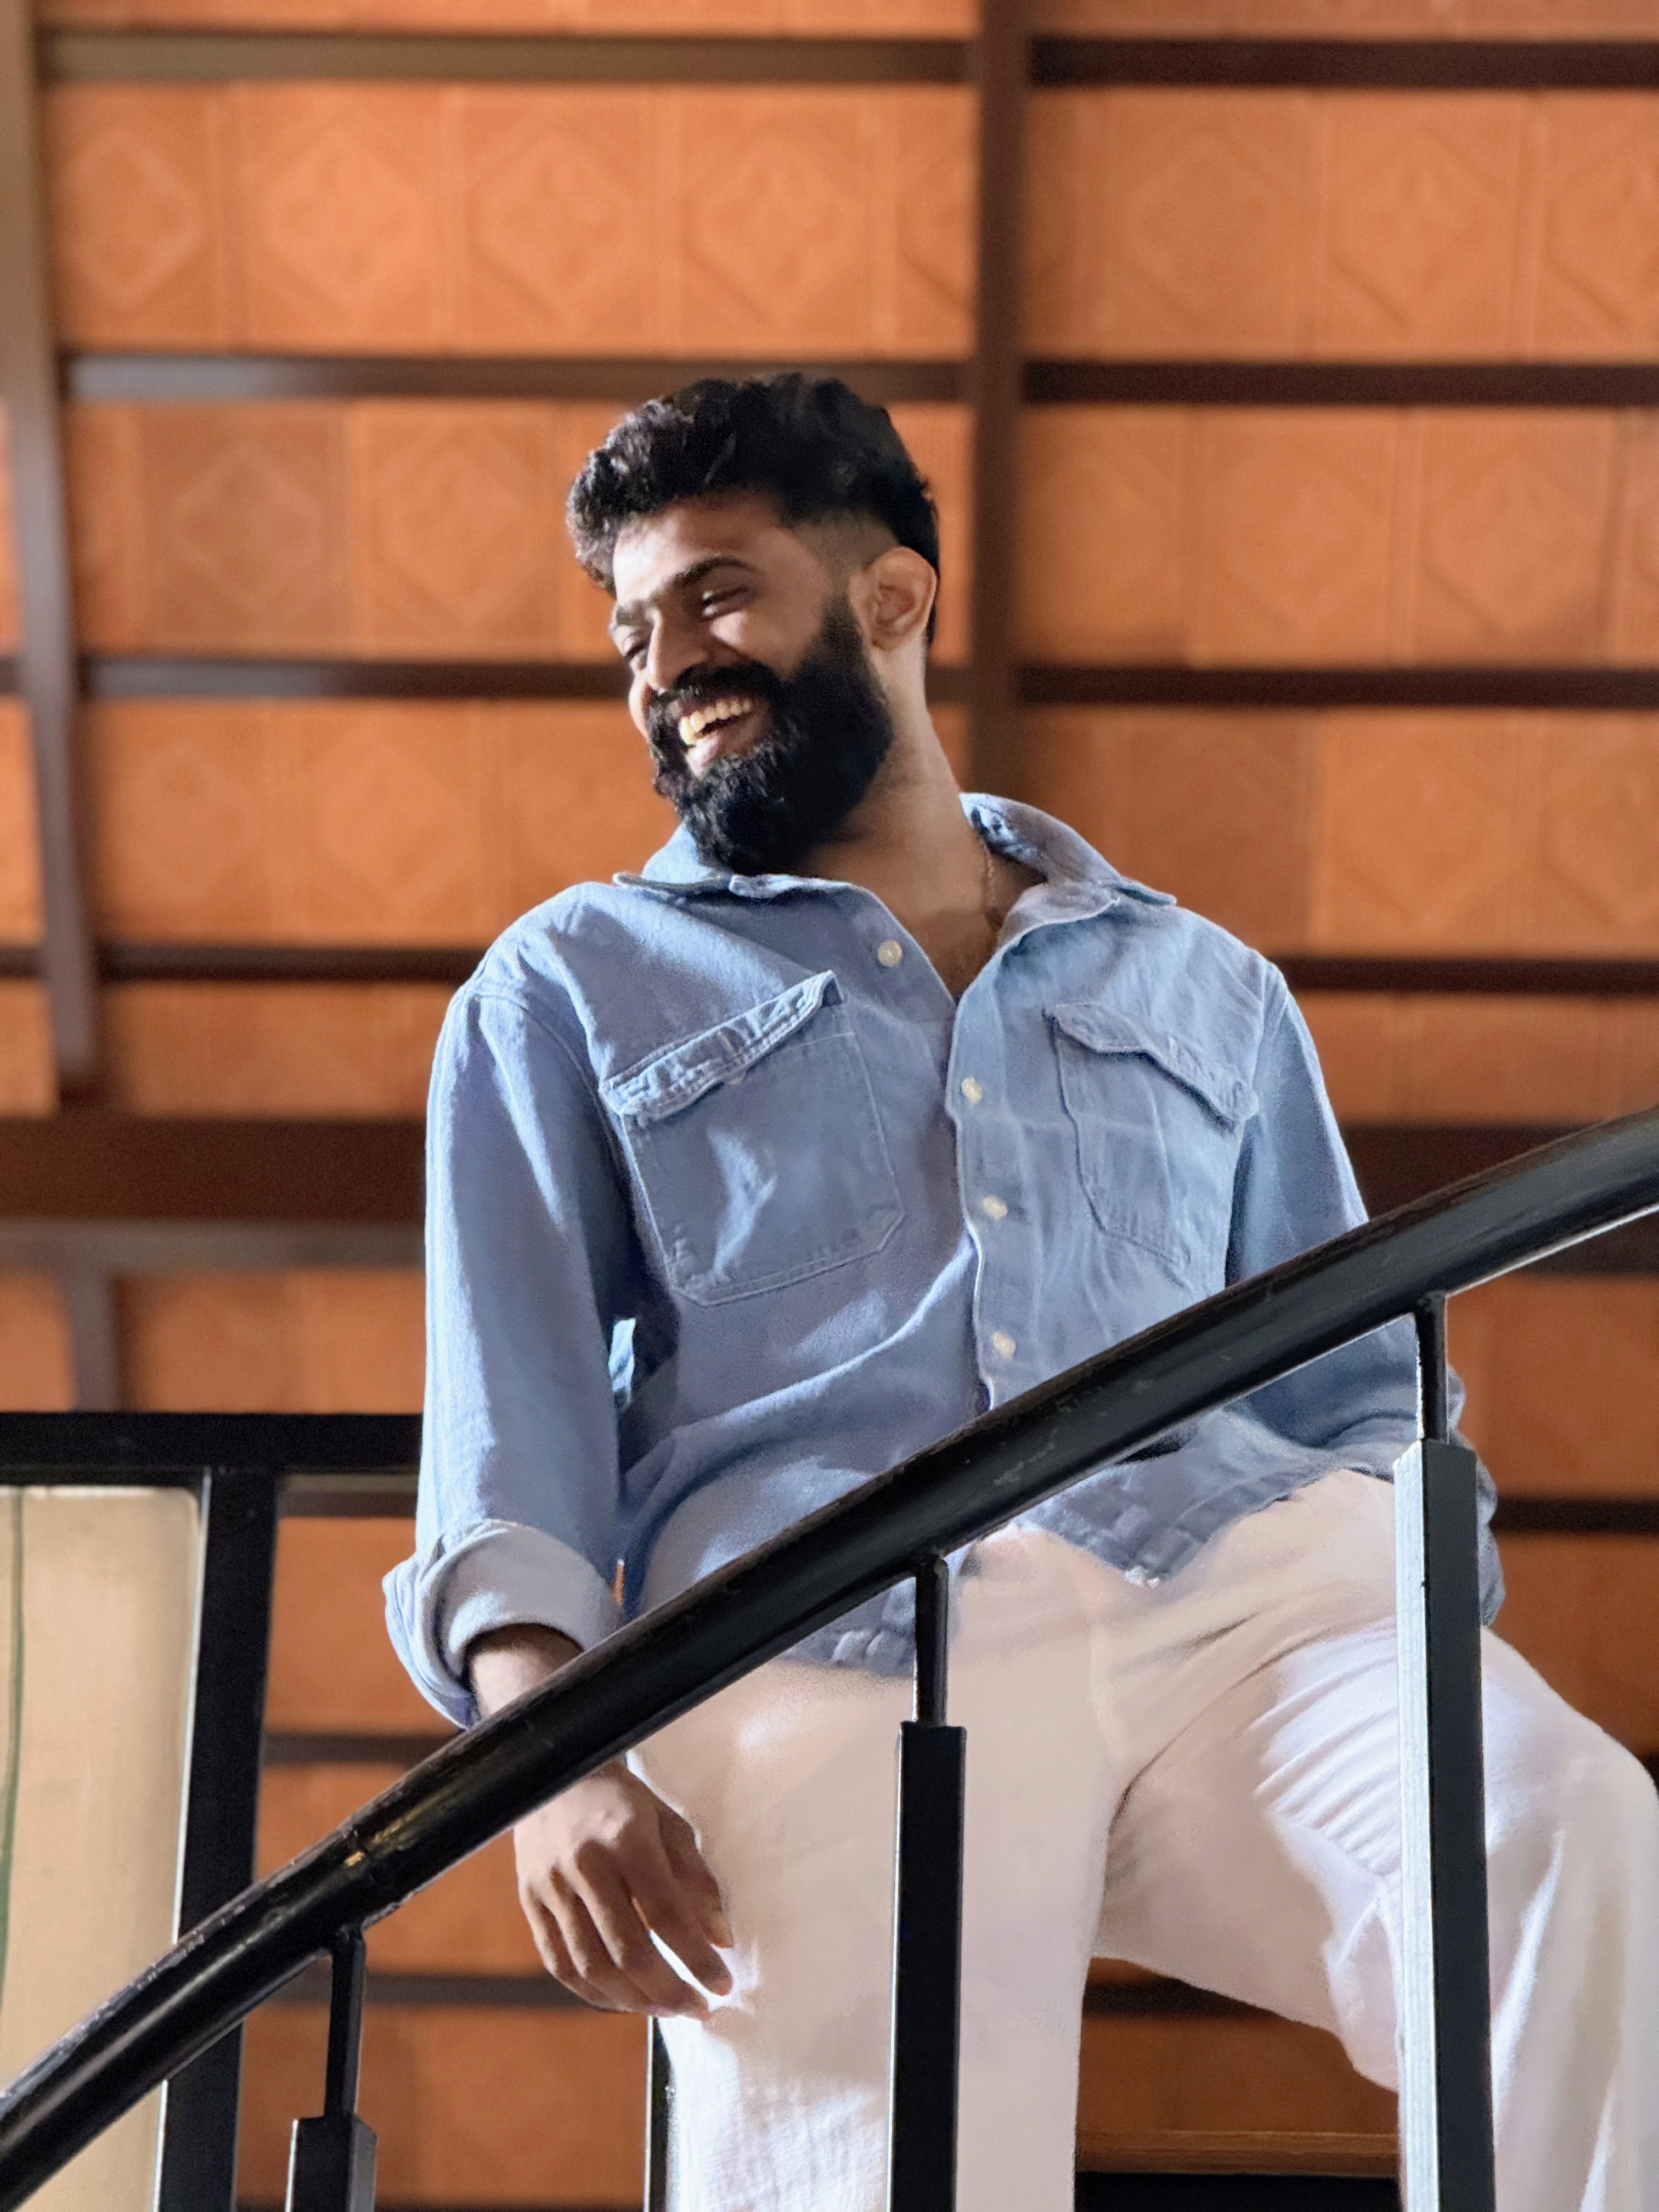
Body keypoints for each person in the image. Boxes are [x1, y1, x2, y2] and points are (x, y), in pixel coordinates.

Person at [386, 373, 1658, 2212]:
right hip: (823, 1628)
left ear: (893, 601)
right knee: (873, 2175)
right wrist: (549, 1763)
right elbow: (509, 1437)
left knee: (1568, 1838)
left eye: (719, 594)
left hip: (1247, 1605)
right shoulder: (565, 984)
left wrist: (1395, 1599)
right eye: (631, 630)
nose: (665, 661)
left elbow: (1360, 1392)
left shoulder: (1209, 983)